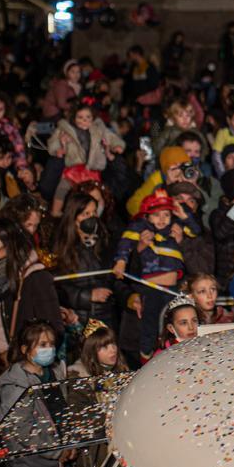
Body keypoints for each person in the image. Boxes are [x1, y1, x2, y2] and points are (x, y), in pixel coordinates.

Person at [0, 322, 74, 467]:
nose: (48, 349)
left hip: (59, 464)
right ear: (24, 349)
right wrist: (56, 452)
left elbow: (63, 413)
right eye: (41, 344)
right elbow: (20, 431)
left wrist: (70, 444)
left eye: (50, 344)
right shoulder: (15, 386)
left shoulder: (56, 372)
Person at [112, 192, 185, 361]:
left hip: (172, 289)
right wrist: (121, 261)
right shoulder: (142, 230)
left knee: (173, 324)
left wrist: (183, 216)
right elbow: (125, 242)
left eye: (166, 214)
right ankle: (146, 356)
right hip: (151, 290)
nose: (162, 219)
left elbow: (195, 230)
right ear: (147, 216)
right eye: (156, 214)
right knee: (150, 322)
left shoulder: (175, 232)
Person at [0, 217, 66, 355]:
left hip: (23, 362)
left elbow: (54, 329)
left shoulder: (36, 278)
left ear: (9, 246)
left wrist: (26, 358)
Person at [53, 192, 117, 331]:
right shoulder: (63, 247)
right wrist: (88, 296)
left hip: (106, 315)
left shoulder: (104, 241)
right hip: (79, 318)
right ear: (74, 217)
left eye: (94, 212)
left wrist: (129, 298)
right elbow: (59, 288)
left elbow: (114, 279)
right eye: (85, 214)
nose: (91, 218)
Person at [48, 100, 124, 216]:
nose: (84, 120)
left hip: (91, 169)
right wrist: (59, 148)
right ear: (74, 118)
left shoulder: (98, 129)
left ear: (93, 118)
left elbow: (110, 136)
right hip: (74, 168)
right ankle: (56, 212)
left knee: (98, 196)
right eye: (80, 117)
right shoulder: (66, 129)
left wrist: (116, 145)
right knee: (62, 189)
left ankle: (96, 216)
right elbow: (53, 142)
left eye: (88, 117)